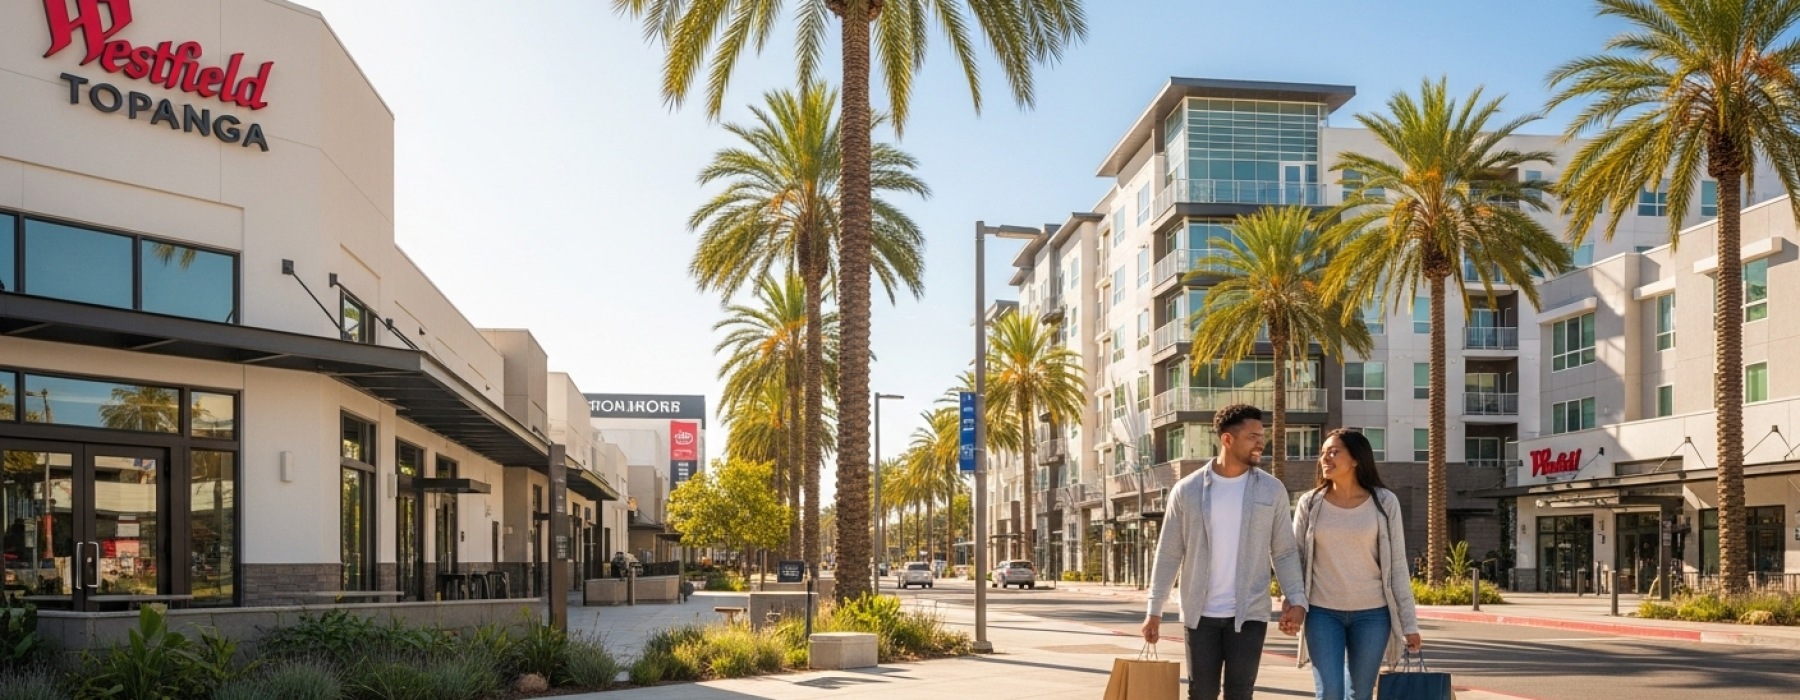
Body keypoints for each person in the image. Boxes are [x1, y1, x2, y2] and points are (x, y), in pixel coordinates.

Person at [1141, 404, 1308, 700]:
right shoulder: (1187, 490)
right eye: (1253, 436)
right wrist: (1154, 610)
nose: (1261, 443)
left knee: (1240, 694)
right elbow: (1169, 552)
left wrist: (1297, 599)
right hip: (1199, 614)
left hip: (1250, 613)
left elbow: (1283, 551)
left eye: (1262, 436)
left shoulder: (1272, 490)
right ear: (1227, 440)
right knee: (1201, 693)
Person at [1290, 428, 1422, 700]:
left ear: (1356, 459)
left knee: (1360, 694)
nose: (1325, 458)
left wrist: (1410, 624)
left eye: (1334, 452)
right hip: (1322, 612)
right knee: (1330, 692)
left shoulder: (1384, 502)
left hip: (1373, 614)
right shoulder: (1310, 503)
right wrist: (1291, 603)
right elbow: (1296, 559)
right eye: (1323, 453)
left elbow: (1397, 566)